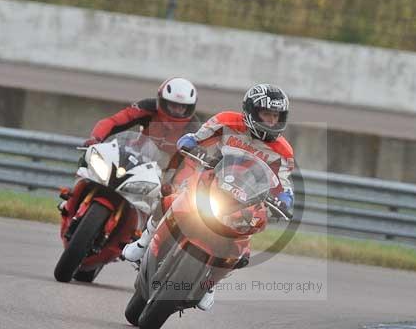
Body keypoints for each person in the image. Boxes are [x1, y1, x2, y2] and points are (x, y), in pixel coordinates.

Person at [122, 83, 296, 311]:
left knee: (241, 249)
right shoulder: (226, 120)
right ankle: (145, 242)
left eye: (276, 116)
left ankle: (209, 282)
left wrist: (285, 199)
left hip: (246, 199)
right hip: (212, 179)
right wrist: (191, 142)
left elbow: (284, 183)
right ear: (250, 111)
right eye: (266, 114)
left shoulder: (283, 151)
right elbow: (199, 136)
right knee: (171, 196)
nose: (271, 121)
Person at [59, 77, 199, 216]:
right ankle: (70, 200)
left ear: (190, 108)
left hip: (164, 172)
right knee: (90, 157)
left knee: (166, 206)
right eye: (172, 105)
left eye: (182, 107)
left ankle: (145, 233)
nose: (176, 111)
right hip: (136, 155)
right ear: (162, 101)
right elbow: (114, 121)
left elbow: (190, 163)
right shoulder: (148, 107)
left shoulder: (194, 128)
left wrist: (175, 185)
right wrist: (95, 138)